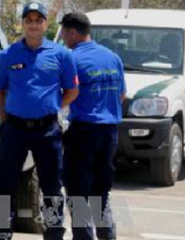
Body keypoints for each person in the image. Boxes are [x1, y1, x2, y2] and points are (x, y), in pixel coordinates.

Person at [0, 2, 79, 240]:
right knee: (3, 185)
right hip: (14, 129)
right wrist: (4, 117)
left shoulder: (61, 55)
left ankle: (54, 234)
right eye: (28, 20)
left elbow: (72, 90)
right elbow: (0, 90)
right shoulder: (7, 55)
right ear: (22, 24)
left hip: (47, 130)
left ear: (45, 24)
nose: (33, 24)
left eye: (37, 20)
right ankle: (0, 233)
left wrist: (51, 106)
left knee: (51, 187)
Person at [60, 12, 126, 240]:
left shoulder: (72, 59)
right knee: (101, 194)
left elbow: (66, 94)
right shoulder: (113, 57)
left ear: (73, 32)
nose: (63, 38)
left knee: (77, 194)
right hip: (109, 133)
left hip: (84, 132)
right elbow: (122, 95)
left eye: (64, 33)